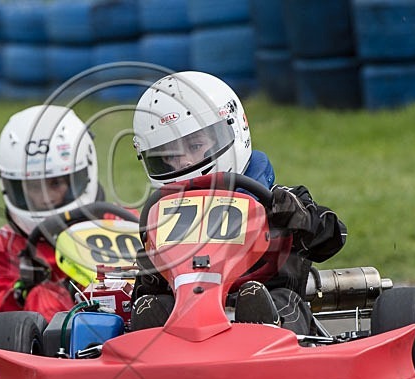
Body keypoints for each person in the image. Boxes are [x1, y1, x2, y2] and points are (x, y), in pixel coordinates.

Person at [131, 71, 347, 335]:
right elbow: (143, 289)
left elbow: (334, 237)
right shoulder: (165, 219)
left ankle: (263, 325)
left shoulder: (281, 200)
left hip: (274, 317)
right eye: (170, 156)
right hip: (186, 321)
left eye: (196, 145)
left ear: (233, 128)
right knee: (152, 305)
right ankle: (148, 343)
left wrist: (299, 219)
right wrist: (152, 272)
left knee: (277, 300)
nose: (185, 162)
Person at [0, 105, 101, 322]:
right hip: (49, 343)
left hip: (124, 326)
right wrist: (23, 290)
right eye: (35, 187)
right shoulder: (4, 243)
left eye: (56, 184)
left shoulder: (119, 224)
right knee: (43, 295)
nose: (46, 197)